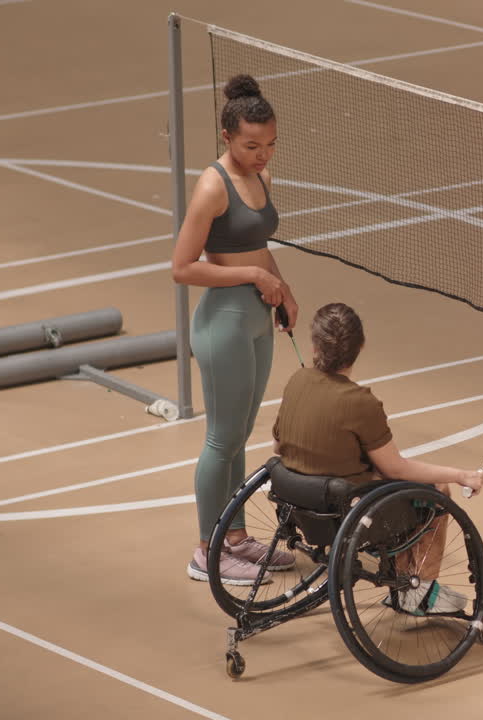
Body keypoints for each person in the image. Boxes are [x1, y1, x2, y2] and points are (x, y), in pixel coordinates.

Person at [271, 303, 483, 614]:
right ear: (360, 347)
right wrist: (459, 474)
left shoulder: (296, 381)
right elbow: (395, 467)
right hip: (342, 510)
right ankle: (418, 591)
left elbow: (278, 447)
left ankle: (403, 580)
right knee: (437, 493)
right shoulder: (361, 402)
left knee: (388, 484)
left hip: (297, 501)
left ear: (314, 345)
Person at [172, 74, 298, 584]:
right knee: (221, 439)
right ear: (227, 138)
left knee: (242, 433)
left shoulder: (261, 178)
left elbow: (259, 248)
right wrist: (252, 276)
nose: (262, 154)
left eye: (269, 144)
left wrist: (283, 289)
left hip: (257, 320)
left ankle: (237, 536)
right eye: (251, 145)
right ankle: (207, 550)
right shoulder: (211, 185)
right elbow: (183, 267)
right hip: (223, 323)